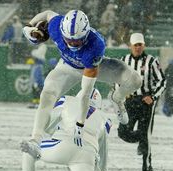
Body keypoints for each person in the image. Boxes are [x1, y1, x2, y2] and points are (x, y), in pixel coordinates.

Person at [21, 9, 142, 162]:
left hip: (91, 67)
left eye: (76, 41)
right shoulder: (56, 26)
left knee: (135, 80)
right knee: (46, 95)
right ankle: (35, 141)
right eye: (68, 40)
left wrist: (80, 123)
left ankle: (116, 97)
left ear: (85, 36)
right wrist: (29, 26)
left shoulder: (95, 46)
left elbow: (85, 93)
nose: (71, 43)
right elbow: (47, 13)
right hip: (67, 66)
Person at [21, 88, 111, 171]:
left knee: (29, 151)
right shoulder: (105, 119)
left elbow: (47, 125)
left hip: (63, 145)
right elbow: (103, 157)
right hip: (87, 154)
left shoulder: (67, 100)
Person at [117, 33, 166, 171]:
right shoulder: (124, 61)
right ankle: (142, 139)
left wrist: (153, 96)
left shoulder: (151, 61)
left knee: (145, 133)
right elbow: (117, 79)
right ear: (130, 46)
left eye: (140, 45)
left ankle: (147, 167)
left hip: (145, 102)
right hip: (130, 101)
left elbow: (162, 81)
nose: (138, 48)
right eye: (135, 45)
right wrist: (119, 95)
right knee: (123, 132)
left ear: (144, 46)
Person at [28, 44, 47, 108]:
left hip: (38, 83)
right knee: (36, 93)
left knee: (37, 93)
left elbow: (38, 75)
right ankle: (35, 103)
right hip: (37, 82)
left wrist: (37, 82)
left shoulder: (38, 66)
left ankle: (38, 103)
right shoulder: (36, 65)